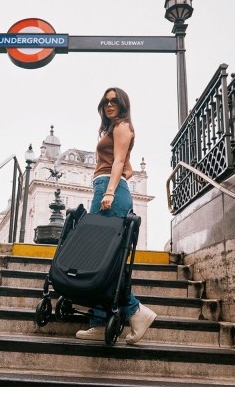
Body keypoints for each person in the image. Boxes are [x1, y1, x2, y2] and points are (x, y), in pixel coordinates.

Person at [76, 87, 157, 344]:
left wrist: (110, 191)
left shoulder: (122, 126)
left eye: (114, 101)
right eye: (106, 101)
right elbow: (128, 168)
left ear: (123, 104)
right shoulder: (113, 129)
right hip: (105, 187)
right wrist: (114, 180)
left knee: (101, 258)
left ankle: (134, 311)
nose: (109, 104)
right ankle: (101, 321)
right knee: (100, 259)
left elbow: (120, 164)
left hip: (108, 191)